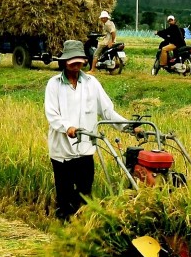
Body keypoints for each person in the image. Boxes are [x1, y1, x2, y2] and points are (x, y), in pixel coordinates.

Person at [44, 40, 128, 220]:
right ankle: (64, 225)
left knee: (85, 193)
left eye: (79, 60)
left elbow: (107, 111)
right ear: (64, 62)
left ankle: (82, 226)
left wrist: (128, 127)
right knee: (65, 194)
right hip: (63, 152)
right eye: (72, 61)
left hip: (85, 149)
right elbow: (52, 115)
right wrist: (68, 128)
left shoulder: (92, 83)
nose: (76, 64)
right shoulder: (54, 84)